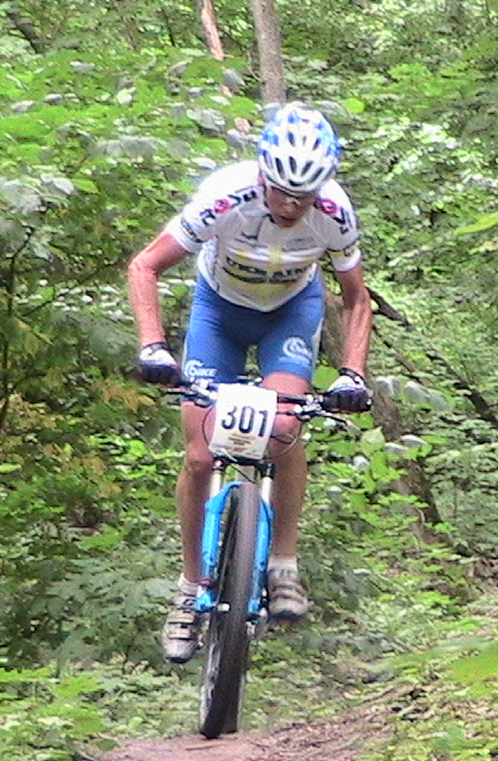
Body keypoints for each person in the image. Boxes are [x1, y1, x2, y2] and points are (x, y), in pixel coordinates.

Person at [127, 102, 374, 664]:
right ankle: (190, 587)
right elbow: (145, 265)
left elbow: (357, 298)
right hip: (219, 314)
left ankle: (283, 564)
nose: (290, 206)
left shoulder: (334, 213)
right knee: (199, 455)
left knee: (286, 426)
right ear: (262, 174)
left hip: (290, 313)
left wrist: (353, 373)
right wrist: (152, 346)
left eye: (303, 197)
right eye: (281, 192)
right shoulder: (225, 197)